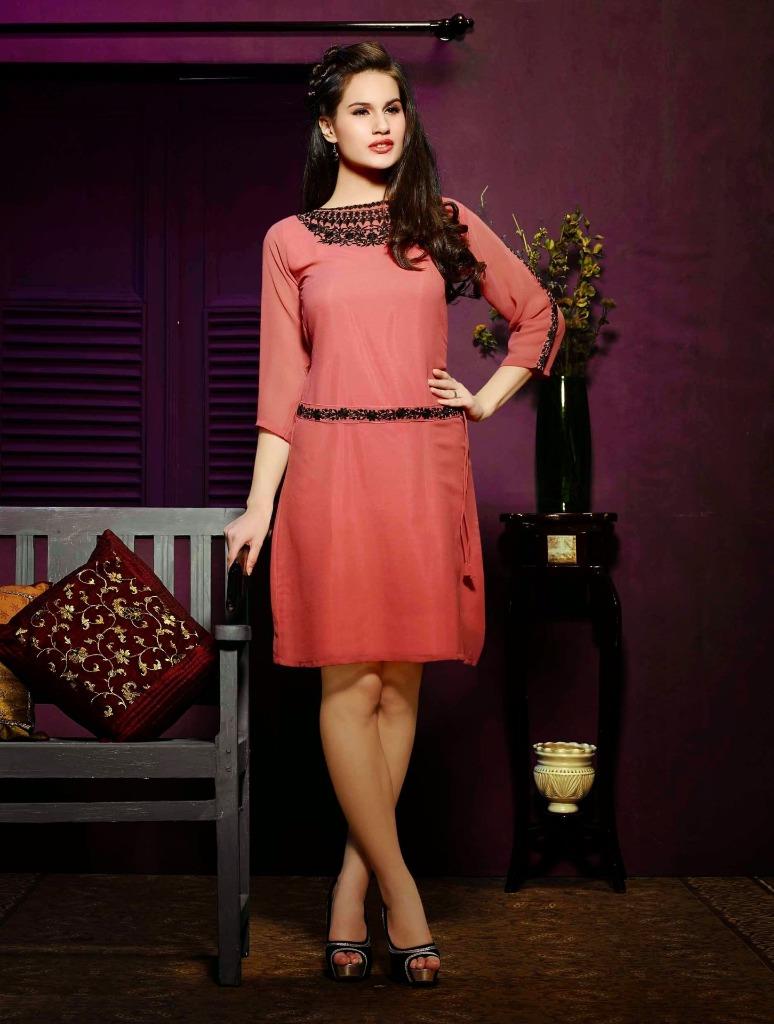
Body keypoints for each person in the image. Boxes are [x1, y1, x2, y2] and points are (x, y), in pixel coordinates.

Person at [224, 41, 565, 986]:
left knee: (399, 684)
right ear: (326, 126)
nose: (382, 125)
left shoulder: (441, 224)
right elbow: (281, 387)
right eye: (361, 110)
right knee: (348, 684)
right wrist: (257, 507)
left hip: (423, 465)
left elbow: (538, 315)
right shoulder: (289, 242)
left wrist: (485, 398)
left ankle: (350, 888)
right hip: (330, 467)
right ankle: (401, 892)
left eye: (394, 108)